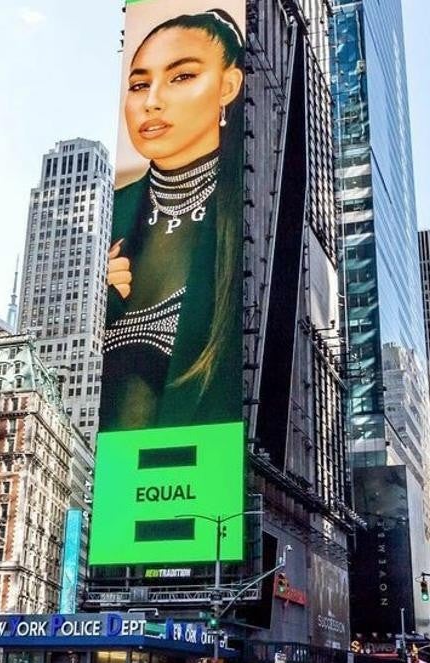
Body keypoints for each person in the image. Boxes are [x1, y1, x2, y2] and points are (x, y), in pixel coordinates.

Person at [100, 8, 246, 432]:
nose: (151, 101)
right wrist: (100, 299)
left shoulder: (248, 219)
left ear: (228, 86)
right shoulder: (114, 216)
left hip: (210, 474)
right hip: (114, 483)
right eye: (139, 84)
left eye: (182, 76)